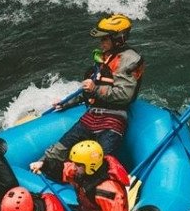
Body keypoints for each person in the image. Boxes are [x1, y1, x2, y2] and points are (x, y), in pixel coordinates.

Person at [37, 13, 145, 169]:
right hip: (91, 116)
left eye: (105, 39)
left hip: (113, 120)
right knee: (55, 153)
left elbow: (124, 95)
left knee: (101, 165)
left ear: (118, 38)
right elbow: (90, 90)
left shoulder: (130, 59)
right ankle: (41, 168)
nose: (101, 43)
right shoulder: (105, 57)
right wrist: (67, 103)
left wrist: (95, 88)